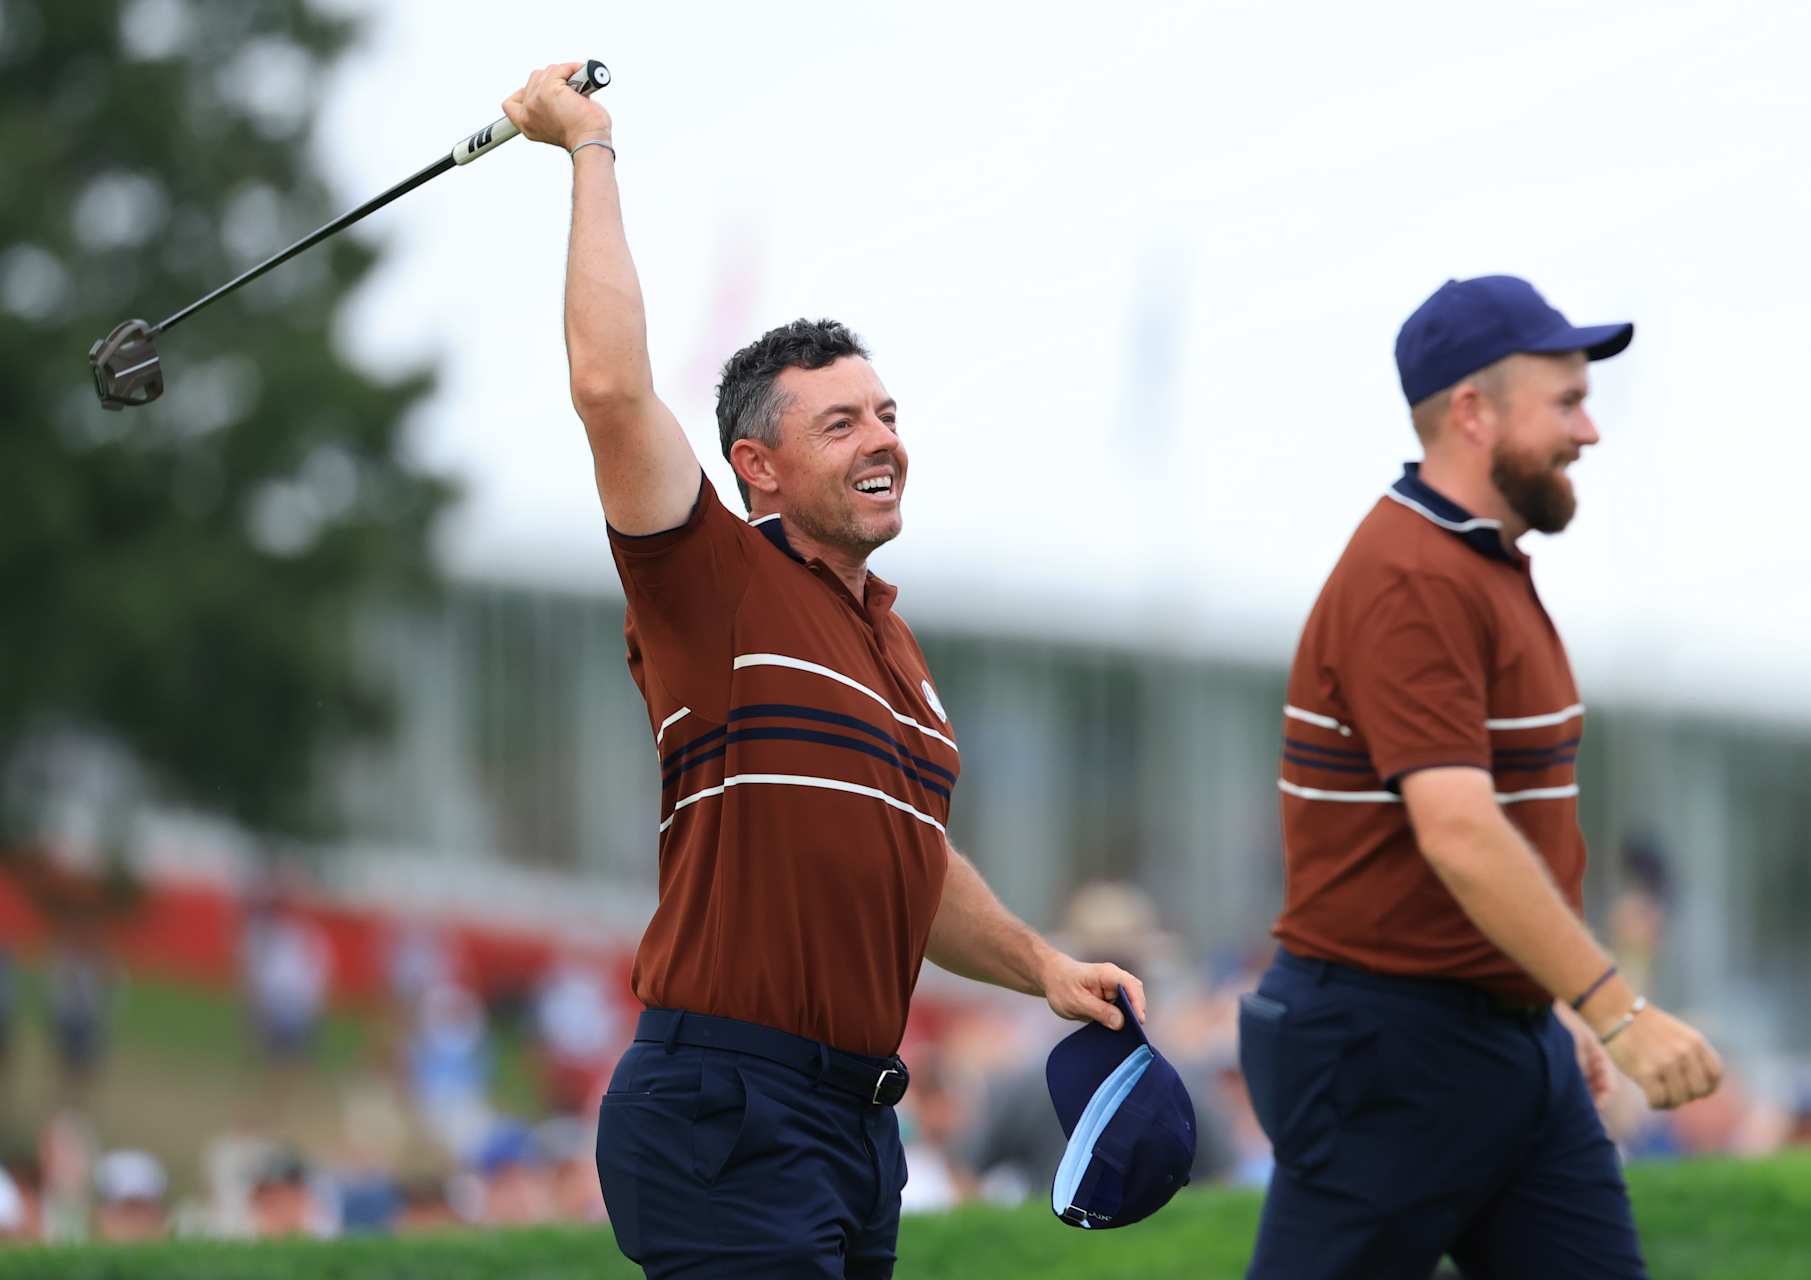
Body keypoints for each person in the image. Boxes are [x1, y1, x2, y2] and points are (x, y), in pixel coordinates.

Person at [499, 63, 1147, 1278]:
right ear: (757, 466)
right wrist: (588, 147)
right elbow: (606, 387)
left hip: (856, 1121)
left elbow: (908, 858)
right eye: (841, 422)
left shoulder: (893, 642)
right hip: (724, 1104)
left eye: (888, 412)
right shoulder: (710, 585)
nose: (884, 438)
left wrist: (1041, 966)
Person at [1240, 275, 1724, 1279]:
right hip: (1387, 1046)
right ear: (1472, 411)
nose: (1588, 430)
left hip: (1501, 1032)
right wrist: (1616, 1009)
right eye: (1565, 402)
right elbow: (1459, 830)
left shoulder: (1480, 561)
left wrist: (1547, 1001)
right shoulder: (1413, 577)